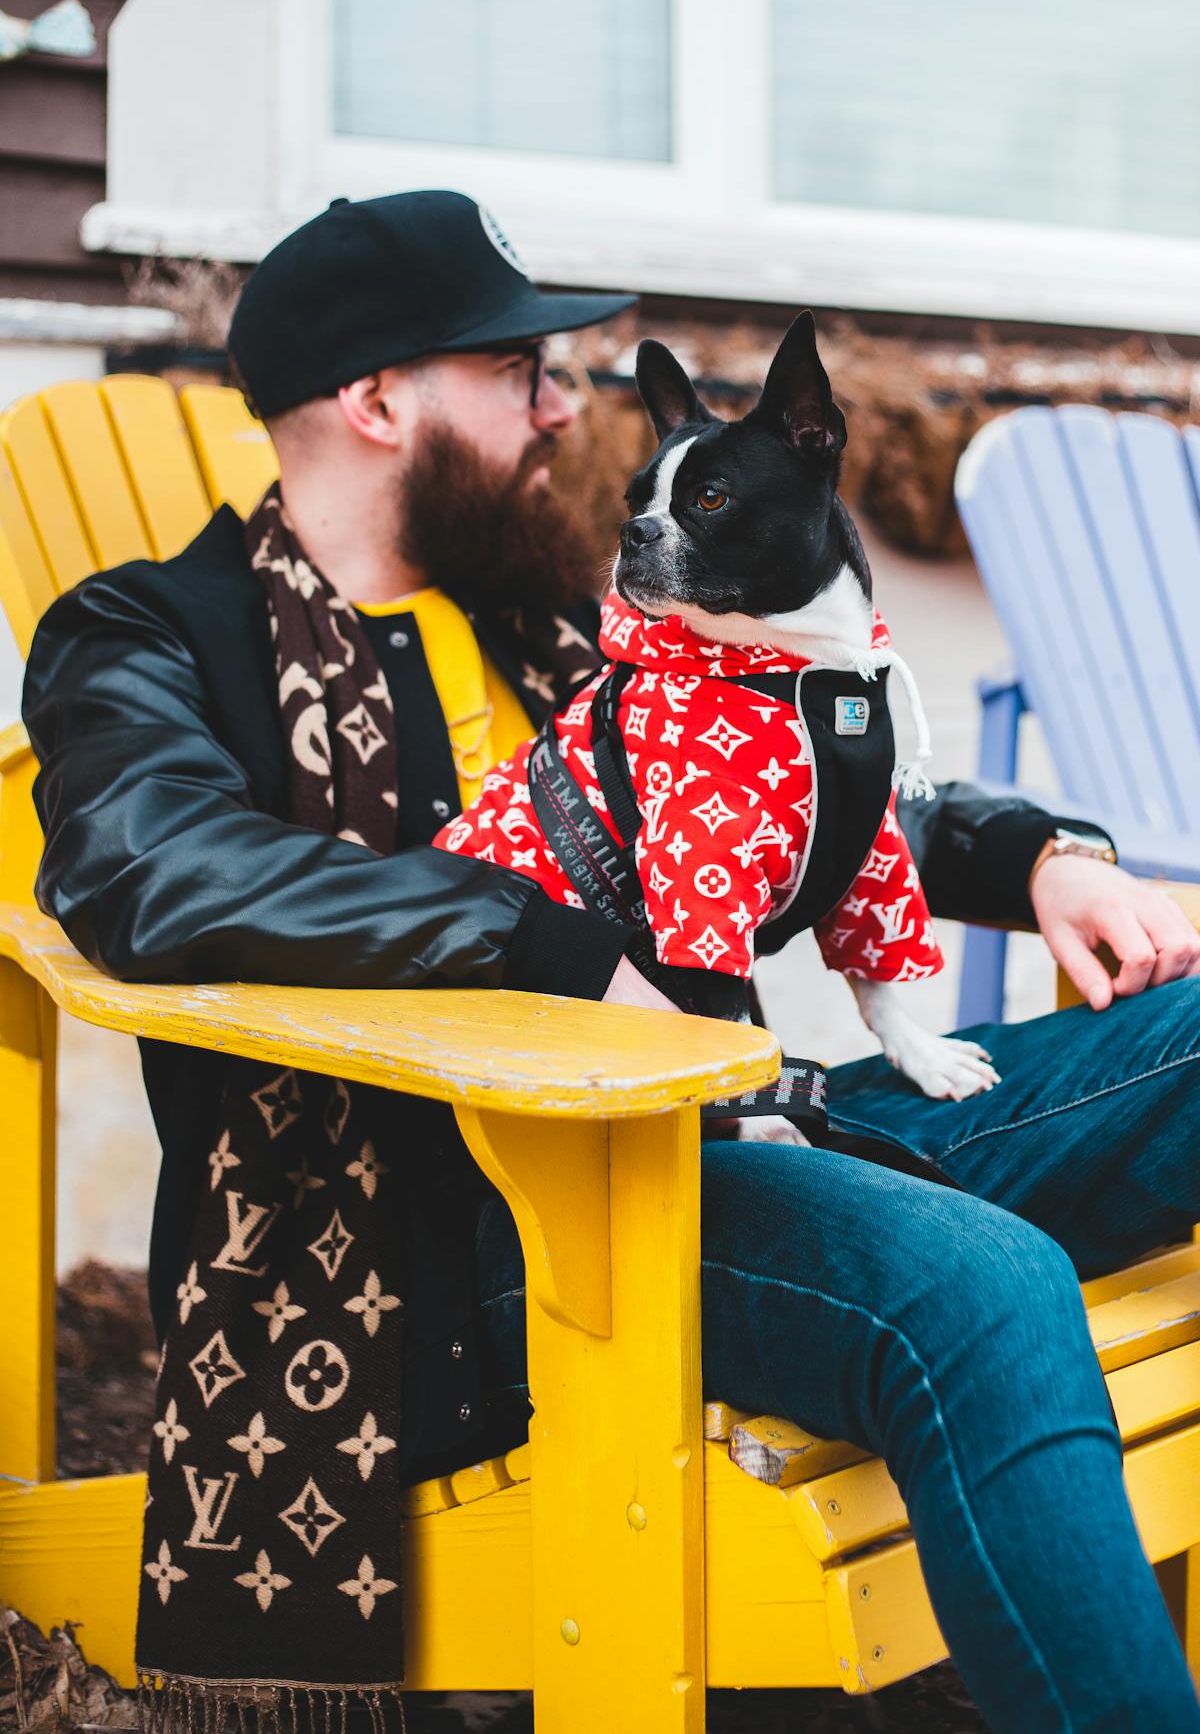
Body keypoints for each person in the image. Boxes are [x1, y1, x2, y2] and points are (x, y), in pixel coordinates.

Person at [22, 190, 1200, 1733]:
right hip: (477, 1239)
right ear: (380, 400)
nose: (562, 409)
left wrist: (1036, 855)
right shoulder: (156, 635)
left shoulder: (558, 621)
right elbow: (149, 865)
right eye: (519, 374)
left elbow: (818, 771)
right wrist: (554, 952)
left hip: (752, 1130)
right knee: (979, 1289)